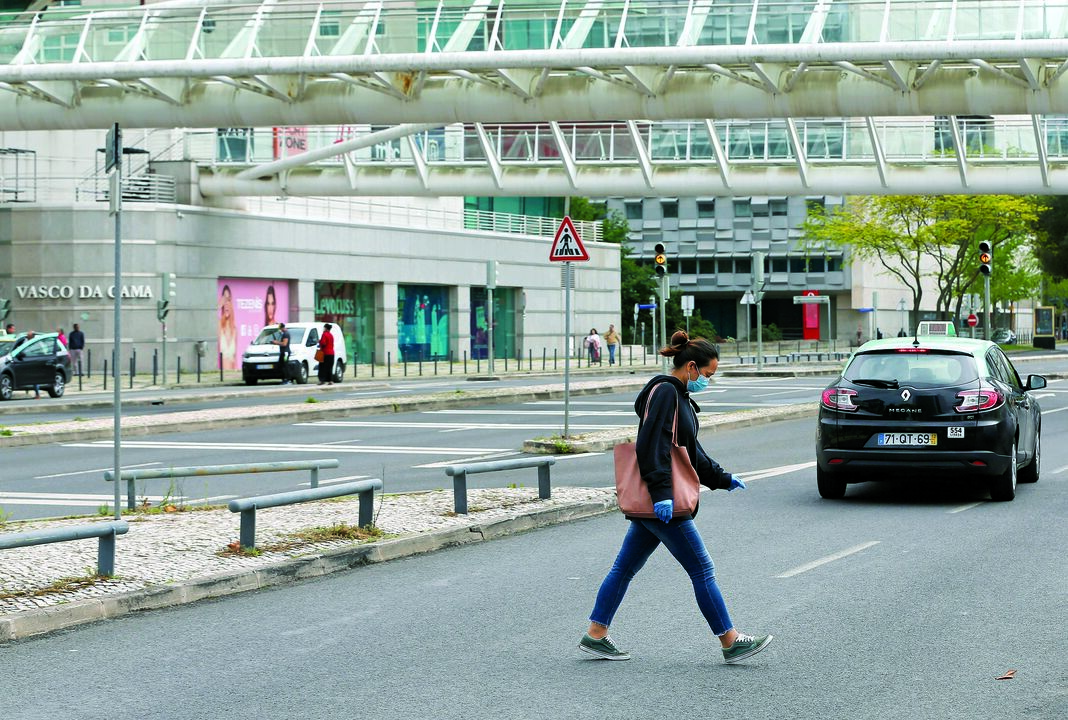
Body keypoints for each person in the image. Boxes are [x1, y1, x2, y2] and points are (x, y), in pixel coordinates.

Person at [578, 331, 773, 664]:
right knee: (702, 569)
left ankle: (596, 634)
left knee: (624, 568)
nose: (708, 380)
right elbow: (651, 445)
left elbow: (690, 452)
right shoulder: (667, 392)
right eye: (708, 374)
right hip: (663, 503)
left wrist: (723, 478)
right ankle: (730, 641)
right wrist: (661, 495)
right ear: (692, 367)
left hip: (656, 502)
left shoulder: (678, 395)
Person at [218, 284, 237, 371]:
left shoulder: (235, 329)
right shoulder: (219, 325)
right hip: (221, 373)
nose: (226, 303)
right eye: (224, 299)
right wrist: (219, 306)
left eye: (228, 299)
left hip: (231, 373)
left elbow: (235, 359)